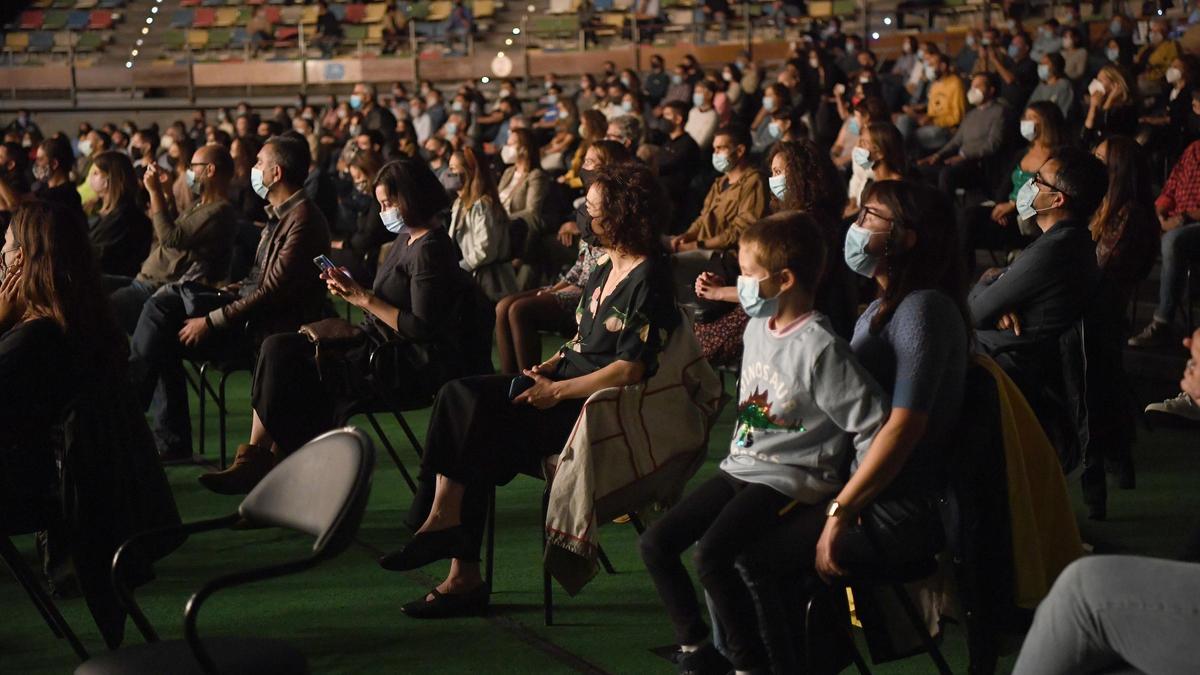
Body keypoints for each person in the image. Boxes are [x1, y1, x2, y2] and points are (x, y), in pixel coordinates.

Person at [378, 162, 679, 621]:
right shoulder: (602, 265)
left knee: (473, 415)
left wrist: (556, 392)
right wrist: (552, 364)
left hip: (594, 410)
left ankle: (449, 545)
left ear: (621, 214)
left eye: (593, 210)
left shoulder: (648, 277)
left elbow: (629, 369)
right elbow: (584, 339)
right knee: (460, 398)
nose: (584, 216)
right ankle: (445, 528)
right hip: (562, 386)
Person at [640, 212, 888, 675]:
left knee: (712, 555)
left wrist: (847, 500)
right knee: (656, 543)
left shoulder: (820, 347)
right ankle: (697, 649)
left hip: (791, 480)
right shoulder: (759, 322)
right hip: (743, 466)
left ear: (785, 279)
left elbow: (873, 423)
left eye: (749, 275)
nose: (743, 284)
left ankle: (749, 666)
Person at [737, 180, 971, 671]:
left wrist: (840, 512)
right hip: (868, 488)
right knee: (731, 536)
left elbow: (902, 428)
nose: (854, 226)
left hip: (898, 506)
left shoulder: (923, 310)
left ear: (907, 237)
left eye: (869, 216)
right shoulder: (879, 309)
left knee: (751, 556)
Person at [200, 159, 491, 495]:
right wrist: (349, 286)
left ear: (410, 198)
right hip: (373, 341)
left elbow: (420, 328)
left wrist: (362, 299)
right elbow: (387, 292)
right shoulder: (407, 238)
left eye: (387, 204)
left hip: (396, 359)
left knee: (291, 367)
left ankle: (269, 473)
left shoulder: (431, 249)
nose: (383, 212)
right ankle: (258, 462)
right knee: (277, 347)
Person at [130, 135, 331, 465]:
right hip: (250, 314)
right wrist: (227, 291)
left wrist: (210, 320)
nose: (252, 169)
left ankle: (128, 417)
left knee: (161, 309)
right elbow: (257, 281)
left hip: (266, 330)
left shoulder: (303, 219)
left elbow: (271, 292)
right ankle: (167, 438)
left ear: (276, 173)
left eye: (258, 164)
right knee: (162, 318)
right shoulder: (282, 215)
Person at [968, 146, 1107, 401]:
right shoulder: (1070, 240)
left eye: (1038, 180)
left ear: (1057, 199)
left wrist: (986, 283)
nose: (1030, 183)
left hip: (1002, 364)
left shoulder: (1054, 250)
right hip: (1005, 353)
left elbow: (974, 313)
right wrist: (998, 302)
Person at [496, 141, 630, 375]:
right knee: (503, 305)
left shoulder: (614, 213)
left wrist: (557, 292)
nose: (583, 166)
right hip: (573, 283)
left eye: (590, 161)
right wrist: (554, 289)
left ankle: (526, 378)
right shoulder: (590, 207)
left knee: (519, 310)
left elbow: (595, 276)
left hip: (589, 293)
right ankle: (507, 382)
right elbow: (579, 265)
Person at [106, 144, 237, 334]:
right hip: (144, 280)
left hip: (157, 289)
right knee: (89, 282)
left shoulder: (219, 211)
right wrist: (167, 193)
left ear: (210, 170)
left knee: (99, 306)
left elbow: (169, 238)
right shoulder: (201, 204)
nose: (189, 172)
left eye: (193, 167)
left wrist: (154, 192)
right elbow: (180, 232)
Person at [963, 101, 1064, 258]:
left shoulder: (1058, 157)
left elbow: (1047, 195)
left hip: (1030, 217)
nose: (1026, 121)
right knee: (968, 216)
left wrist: (1012, 207)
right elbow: (1005, 185)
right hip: (1007, 211)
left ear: (1046, 122)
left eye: (1032, 117)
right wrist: (1001, 207)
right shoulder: (1022, 152)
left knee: (973, 225)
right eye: (1026, 116)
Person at [1128, 137, 1200, 349]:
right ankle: (1109, 311)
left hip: (1191, 224)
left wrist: (1184, 217)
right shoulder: (1193, 149)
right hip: (1175, 221)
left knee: (1173, 239)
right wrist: (1159, 214)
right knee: (1128, 226)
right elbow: (1171, 188)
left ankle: (1163, 322)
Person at [1090, 136, 1158, 311]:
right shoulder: (1101, 203)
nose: (1091, 163)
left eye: (1099, 159)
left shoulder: (1128, 215)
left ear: (1118, 169)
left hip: (1095, 310)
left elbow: (1097, 270)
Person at [918, 73, 1009, 196]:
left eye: (978, 86)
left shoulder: (999, 112)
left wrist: (965, 156)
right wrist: (937, 155)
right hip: (960, 160)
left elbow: (993, 144)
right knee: (923, 170)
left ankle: (944, 212)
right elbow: (956, 141)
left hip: (979, 164)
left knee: (947, 175)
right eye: (972, 86)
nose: (973, 90)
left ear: (991, 90)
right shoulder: (971, 114)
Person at [448, 147, 517, 302]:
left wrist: (459, 268)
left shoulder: (483, 205)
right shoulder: (459, 203)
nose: (448, 173)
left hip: (490, 282)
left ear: (468, 172)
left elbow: (486, 249)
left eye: (453, 168)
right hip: (471, 276)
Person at [86, 151, 152, 278]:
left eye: (96, 173)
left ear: (110, 178)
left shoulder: (126, 218)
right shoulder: (101, 211)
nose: (90, 178)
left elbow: (98, 256)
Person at [498, 128, 551, 289]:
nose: (506, 147)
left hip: (518, 225)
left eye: (511, 143)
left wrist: (504, 218)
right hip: (500, 222)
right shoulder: (509, 172)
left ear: (524, 148)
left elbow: (532, 211)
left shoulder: (535, 175)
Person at [329, 150, 391, 284]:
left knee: (324, 257)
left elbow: (368, 236)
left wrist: (344, 244)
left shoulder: (379, 201)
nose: (357, 182)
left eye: (359, 177)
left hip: (370, 262)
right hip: (363, 254)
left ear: (370, 172)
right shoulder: (370, 199)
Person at [896, 52, 966, 153]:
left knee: (914, 136)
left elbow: (958, 117)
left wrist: (933, 121)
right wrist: (920, 116)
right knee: (903, 119)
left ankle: (900, 155)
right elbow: (932, 111)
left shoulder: (955, 84)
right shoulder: (934, 84)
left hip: (946, 128)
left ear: (943, 66)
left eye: (932, 65)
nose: (928, 68)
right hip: (930, 122)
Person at [657, 101, 702, 230]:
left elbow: (669, 166)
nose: (663, 118)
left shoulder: (688, 144)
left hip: (676, 195)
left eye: (667, 115)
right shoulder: (667, 142)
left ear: (678, 119)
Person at [846, 121, 906, 216]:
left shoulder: (895, 189)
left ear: (879, 153)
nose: (857, 147)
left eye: (863, 143)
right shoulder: (870, 180)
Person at [1082, 65, 1137, 149]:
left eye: (1100, 80)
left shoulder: (1125, 109)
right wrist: (1092, 107)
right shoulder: (1100, 106)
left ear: (1115, 85)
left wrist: (1109, 101)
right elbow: (1084, 139)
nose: (1096, 83)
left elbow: (1105, 133)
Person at [32, 137, 84, 222]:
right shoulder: (44, 187)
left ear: (54, 163)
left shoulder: (65, 195)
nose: (37, 164)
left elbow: (14, 203)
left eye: (40, 159)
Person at [1028, 52, 1074, 118]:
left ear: (1055, 66)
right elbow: (1029, 107)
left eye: (1045, 63)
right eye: (1040, 63)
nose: (1041, 66)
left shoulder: (1064, 86)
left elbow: (1062, 114)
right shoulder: (1041, 86)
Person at [351, 82, 397, 147]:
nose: (353, 96)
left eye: (356, 93)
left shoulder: (381, 115)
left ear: (368, 97)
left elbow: (382, 141)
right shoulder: (359, 115)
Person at [686, 81, 720, 150]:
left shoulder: (713, 116)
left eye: (699, 92)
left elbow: (701, 142)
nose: (696, 95)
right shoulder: (693, 111)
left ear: (710, 94)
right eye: (695, 92)